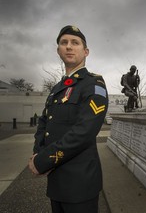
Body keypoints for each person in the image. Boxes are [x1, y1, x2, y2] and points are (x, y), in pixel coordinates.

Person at [28, 25, 108, 213]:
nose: (69, 47)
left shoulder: (94, 84)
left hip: (80, 182)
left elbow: (84, 132)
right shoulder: (58, 88)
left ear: (85, 51)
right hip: (56, 179)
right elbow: (44, 123)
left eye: (75, 42)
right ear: (58, 51)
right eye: (64, 43)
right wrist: (37, 152)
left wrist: (43, 161)